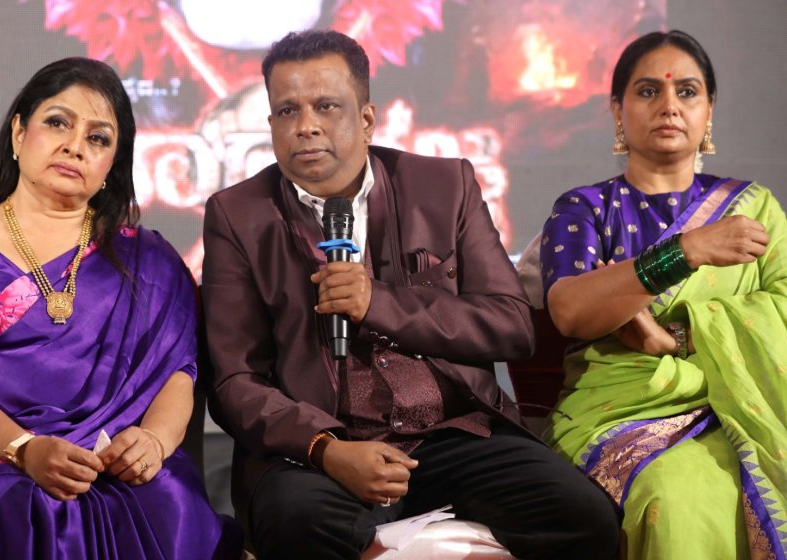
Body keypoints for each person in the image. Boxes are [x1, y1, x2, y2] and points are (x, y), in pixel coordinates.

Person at [202, 30, 619, 560]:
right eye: (287, 111)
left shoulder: (445, 185)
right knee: (297, 522)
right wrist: (325, 449)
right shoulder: (238, 215)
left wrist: (377, 303)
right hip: (319, 452)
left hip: (452, 435)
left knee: (586, 519)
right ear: (270, 125)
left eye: (326, 106)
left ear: (367, 119)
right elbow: (235, 380)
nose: (305, 126)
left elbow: (511, 325)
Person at [0, 57, 240, 559]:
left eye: (98, 138)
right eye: (57, 122)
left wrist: (154, 441)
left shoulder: (150, 258)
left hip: (117, 461)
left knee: (166, 498)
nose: (75, 145)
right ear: (19, 133)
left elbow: (180, 372)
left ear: (112, 165)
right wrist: (26, 450)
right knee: (31, 507)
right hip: (1, 460)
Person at [540, 30, 786, 560]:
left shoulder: (754, 209)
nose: (669, 105)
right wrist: (687, 250)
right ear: (617, 110)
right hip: (621, 413)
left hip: (747, 409)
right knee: (675, 498)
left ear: (709, 109)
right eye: (649, 91)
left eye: (687, 92)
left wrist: (676, 337)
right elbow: (571, 310)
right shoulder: (585, 209)